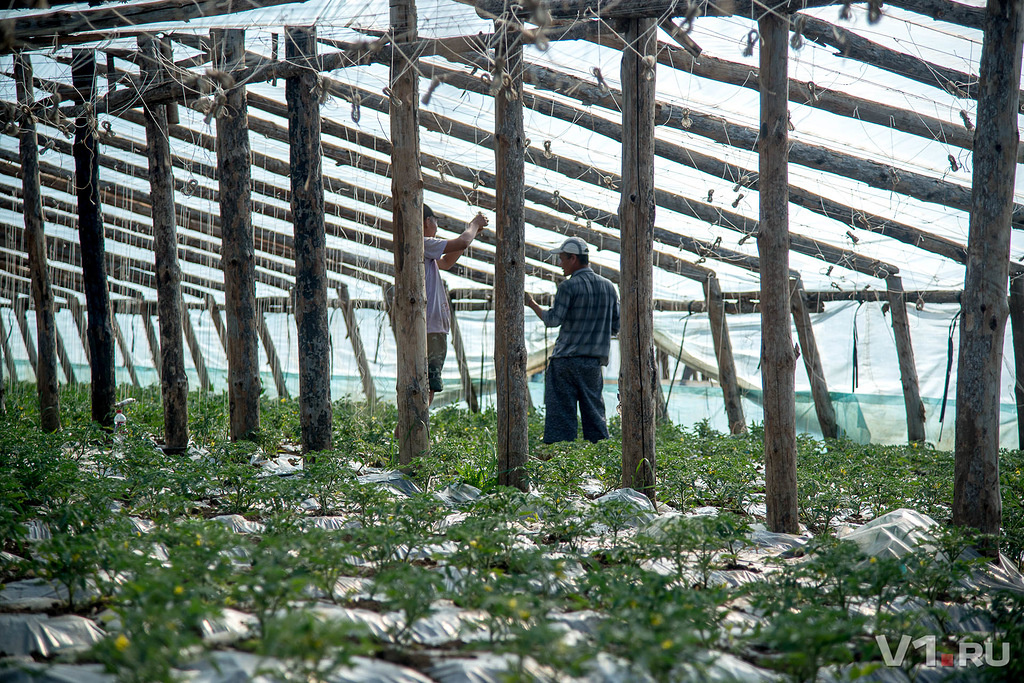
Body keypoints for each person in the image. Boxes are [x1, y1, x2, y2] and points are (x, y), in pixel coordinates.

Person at [525, 236, 619, 443]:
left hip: (565, 361)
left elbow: (553, 320)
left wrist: (531, 303)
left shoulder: (568, 287)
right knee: (595, 414)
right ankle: (600, 460)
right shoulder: (609, 287)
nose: (560, 264)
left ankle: (561, 463)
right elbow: (616, 326)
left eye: (562, 259)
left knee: (561, 418)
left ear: (573, 258)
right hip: (593, 363)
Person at [423, 204, 488, 404]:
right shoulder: (423, 242)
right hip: (431, 329)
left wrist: (472, 233)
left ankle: (407, 432)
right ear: (428, 221)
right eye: (436, 220)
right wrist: (474, 225)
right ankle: (410, 431)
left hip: (432, 328)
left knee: (426, 387)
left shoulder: (424, 252)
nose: (436, 225)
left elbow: (447, 261)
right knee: (427, 388)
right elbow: (461, 242)